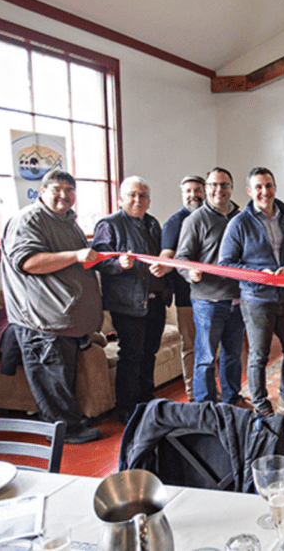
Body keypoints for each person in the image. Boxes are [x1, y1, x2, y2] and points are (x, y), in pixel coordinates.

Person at [0, 169, 104, 443]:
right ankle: (62, 432)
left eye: (70, 190)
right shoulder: (28, 220)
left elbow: (74, 262)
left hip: (64, 321)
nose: (64, 195)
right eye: (57, 189)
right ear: (42, 191)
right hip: (41, 321)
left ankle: (71, 424)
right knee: (50, 379)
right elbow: (28, 262)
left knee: (60, 378)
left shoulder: (68, 222)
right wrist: (75, 255)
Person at [219, 167, 284, 427]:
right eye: (258, 187)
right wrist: (258, 274)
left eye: (268, 185)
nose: (264, 192)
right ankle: (262, 410)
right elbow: (226, 264)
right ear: (249, 191)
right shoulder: (238, 223)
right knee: (259, 356)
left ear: (275, 187)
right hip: (256, 300)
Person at [92, 176, 172, 423]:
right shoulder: (109, 224)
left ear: (149, 201)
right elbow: (98, 259)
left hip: (155, 301)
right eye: (132, 195)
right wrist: (119, 264)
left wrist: (164, 267)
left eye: (143, 196)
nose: (138, 200)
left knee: (150, 352)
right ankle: (126, 409)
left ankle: (146, 400)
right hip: (128, 304)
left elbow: (162, 254)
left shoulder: (152, 223)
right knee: (131, 356)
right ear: (120, 199)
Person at [175, 168, 248, 407]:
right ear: (206, 189)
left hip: (238, 300)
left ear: (232, 188)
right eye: (214, 185)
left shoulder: (242, 217)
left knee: (233, 356)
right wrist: (190, 272)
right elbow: (181, 258)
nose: (219, 190)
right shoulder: (194, 220)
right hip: (208, 301)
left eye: (224, 185)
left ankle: (231, 400)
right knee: (206, 358)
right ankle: (205, 407)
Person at [160, 174, 206, 399]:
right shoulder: (174, 222)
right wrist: (163, 265)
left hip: (214, 296)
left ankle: (210, 391)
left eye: (197, 190)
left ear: (205, 192)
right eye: (188, 191)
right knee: (190, 347)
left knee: (211, 349)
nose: (193, 195)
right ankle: (194, 395)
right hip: (187, 297)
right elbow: (167, 254)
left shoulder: (213, 218)